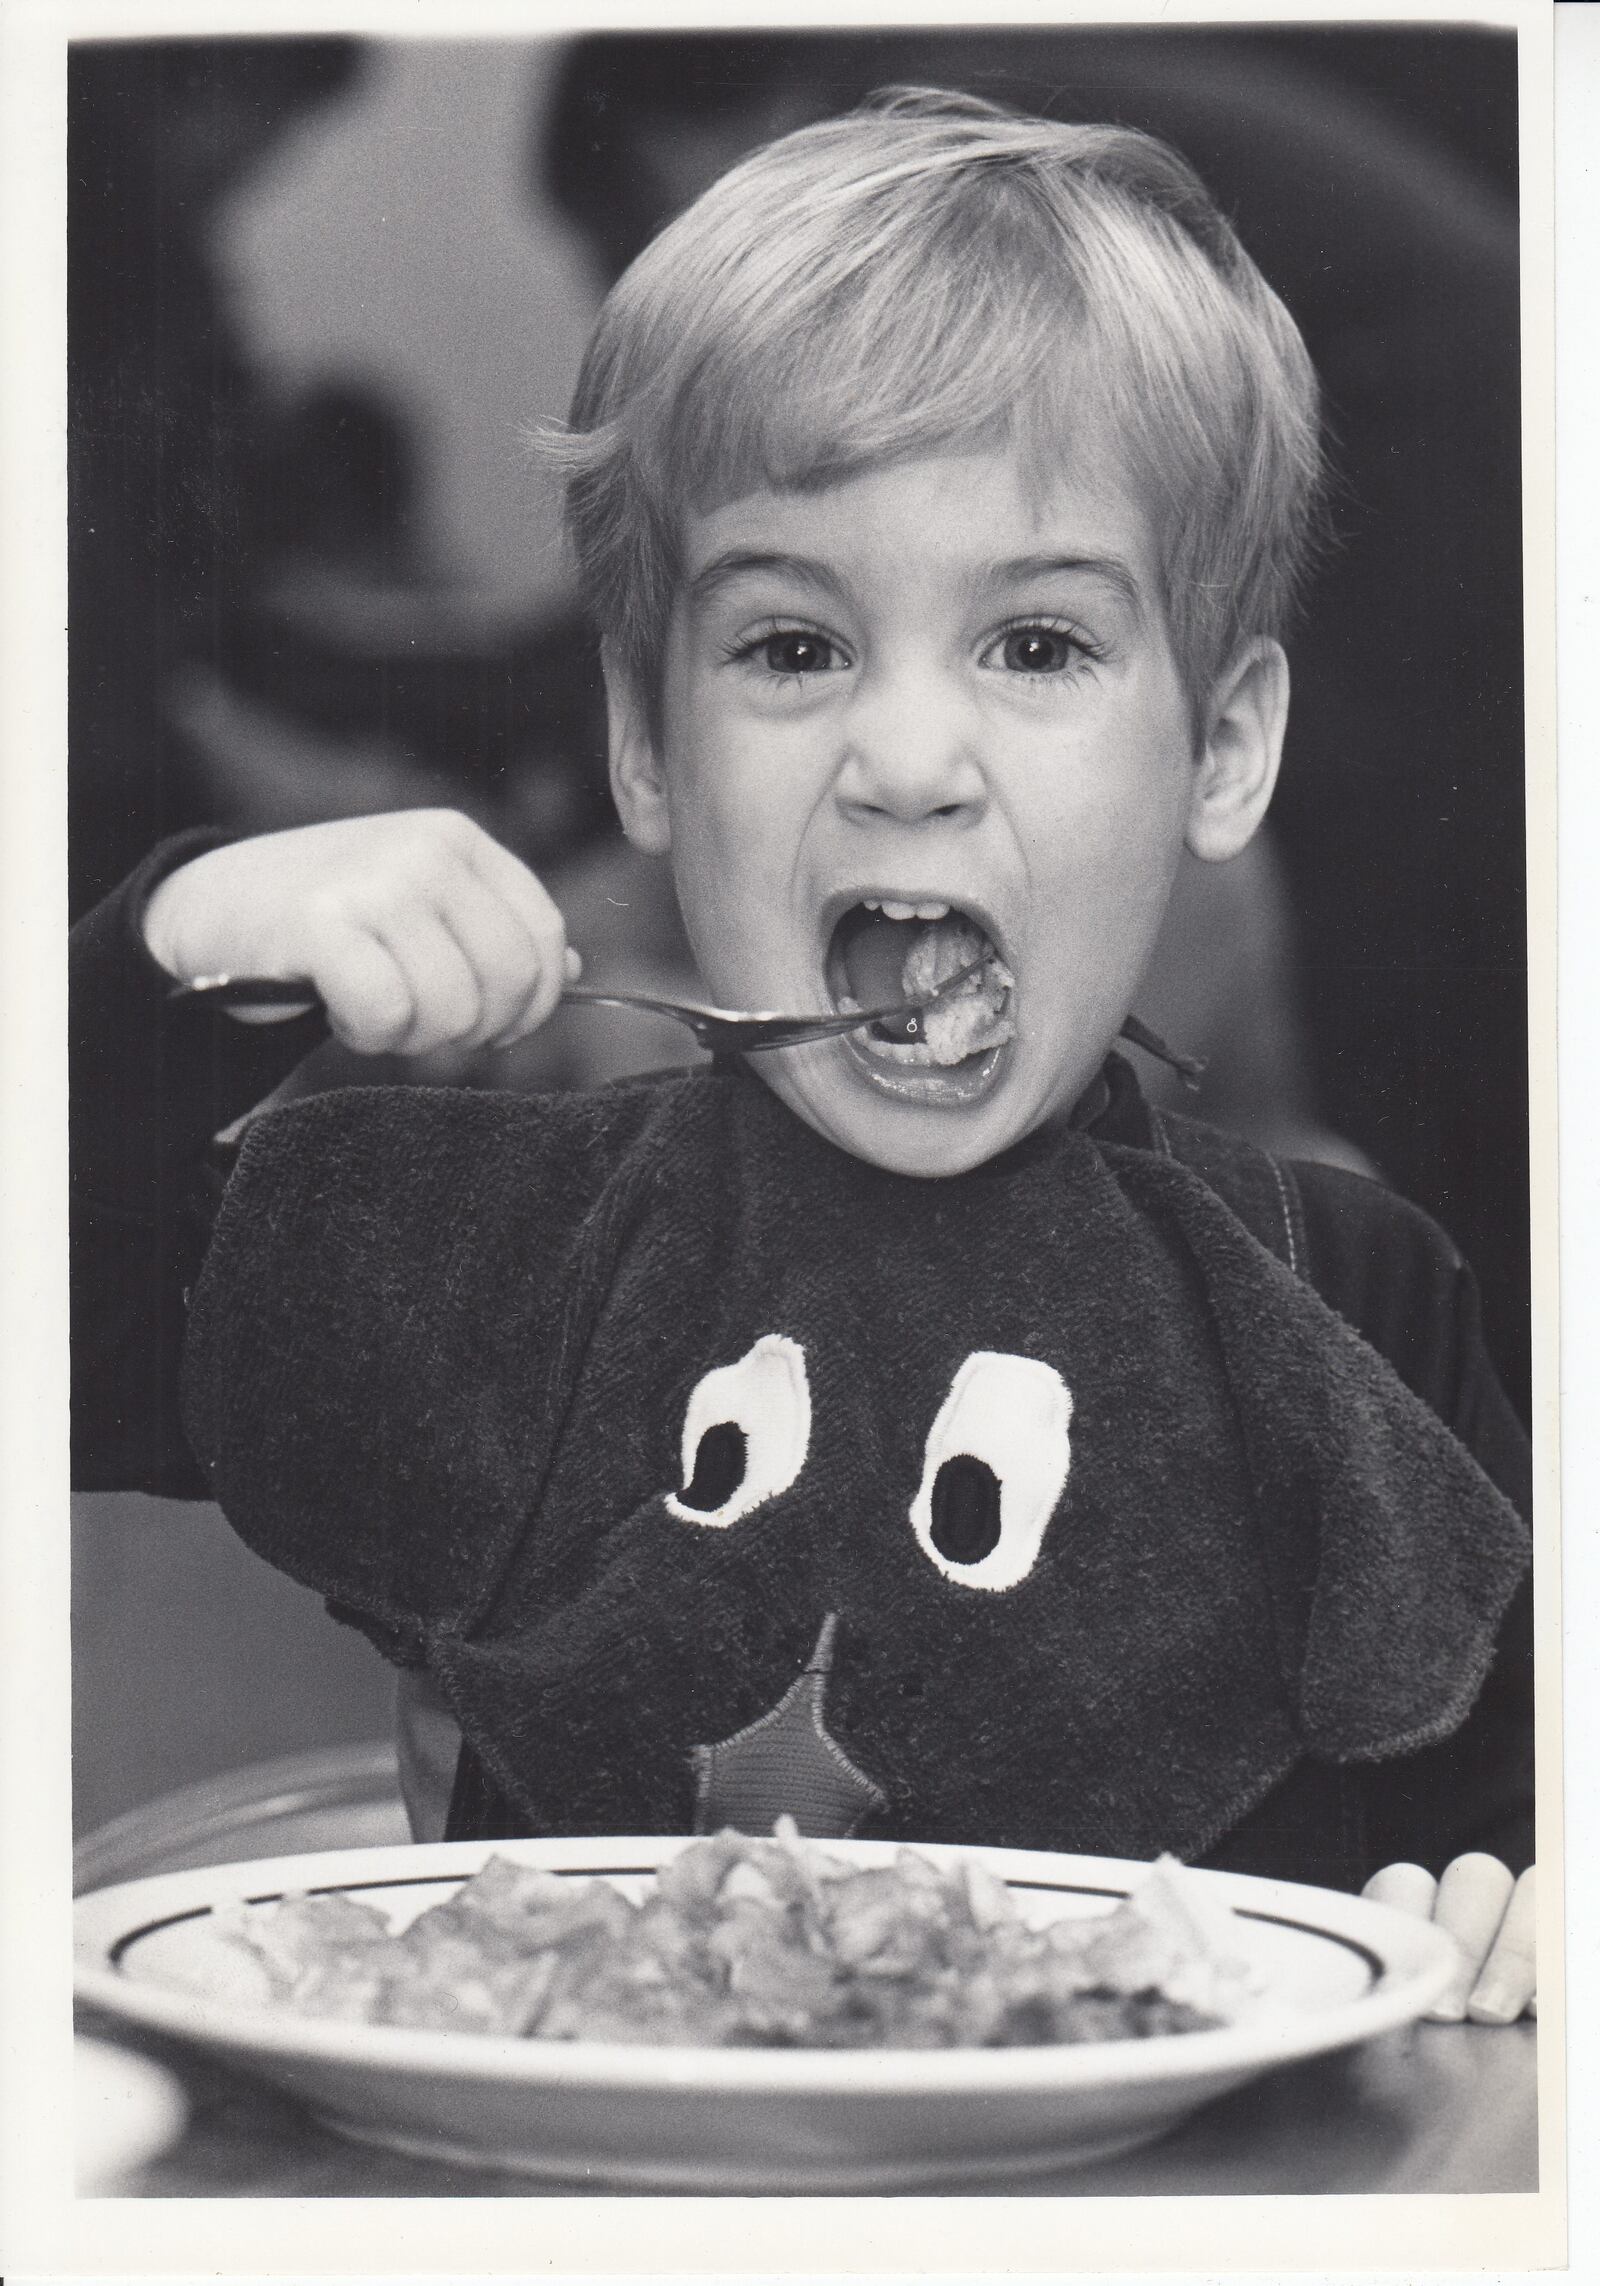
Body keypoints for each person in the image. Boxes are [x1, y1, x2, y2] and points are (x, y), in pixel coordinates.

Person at [71, 93, 1534, 2022]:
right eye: (789, 647)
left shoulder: (1351, 1299)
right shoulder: (509, 1253)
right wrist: (179, 953)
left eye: (1034, 646)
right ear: (649, 751)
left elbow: (1505, 1810)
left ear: (1226, 751)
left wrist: (1522, 1904)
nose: (908, 759)